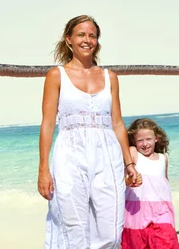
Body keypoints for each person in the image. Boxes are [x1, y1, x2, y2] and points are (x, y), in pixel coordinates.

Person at [38, 15, 139, 248]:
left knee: (112, 231)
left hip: (107, 155)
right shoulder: (56, 75)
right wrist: (44, 168)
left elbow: (117, 123)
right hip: (69, 155)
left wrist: (129, 164)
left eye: (92, 35)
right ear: (69, 40)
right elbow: (48, 123)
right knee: (74, 228)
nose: (87, 40)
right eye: (81, 35)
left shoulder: (109, 76)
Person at [122, 118, 179, 249]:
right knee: (137, 244)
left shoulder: (163, 159)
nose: (145, 144)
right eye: (140, 140)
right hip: (136, 211)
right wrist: (129, 180)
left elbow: (165, 184)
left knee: (167, 242)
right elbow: (122, 178)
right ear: (133, 141)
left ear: (157, 138)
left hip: (162, 211)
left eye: (148, 139)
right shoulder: (133, 153)